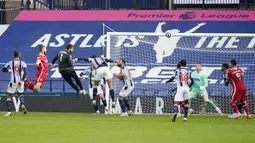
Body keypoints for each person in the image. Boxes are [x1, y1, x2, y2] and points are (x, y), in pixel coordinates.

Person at [2, 51, 27, 116]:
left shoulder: (10, 62)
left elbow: (3, 69)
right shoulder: (23, 63)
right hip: (20, 81)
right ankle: (22, 104)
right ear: (18, 55)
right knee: (20, 94)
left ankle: (9, 112)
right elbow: (25, 73)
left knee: (9, 95)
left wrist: (9, 70)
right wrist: (23, 80)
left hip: (13, 81)